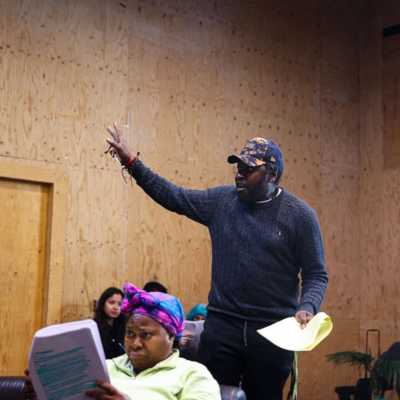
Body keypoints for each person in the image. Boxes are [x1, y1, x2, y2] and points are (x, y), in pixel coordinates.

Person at [105, 126, 328, 400]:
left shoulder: (300, 215)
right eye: (238, 166)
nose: (239, 174)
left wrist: (307, 306)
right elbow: (173, 196)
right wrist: (131, 162)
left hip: (272, 332)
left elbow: (317, 274)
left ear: (271, 174)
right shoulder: (222, 202)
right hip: (223, 327)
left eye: (249, 169)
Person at [87, 283, 221, 400]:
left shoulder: (192, 374)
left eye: (145, 335)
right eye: (130, 334)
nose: (135, 344)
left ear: (171, 335)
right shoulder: (105, 368)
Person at [94, 287, 126, 359]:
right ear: (102, 304)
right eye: (111, 302)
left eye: (119, 304)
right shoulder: (94, 326)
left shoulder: (123, 325)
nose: (116, 307)